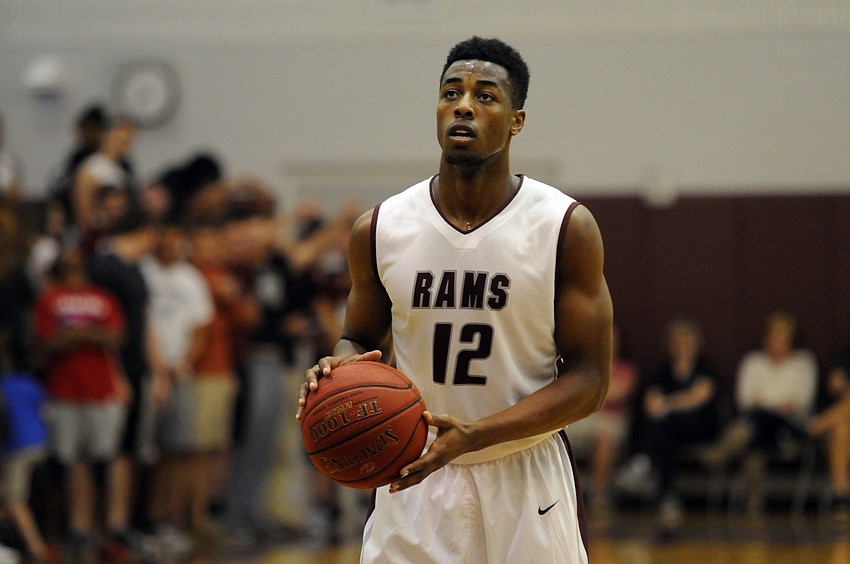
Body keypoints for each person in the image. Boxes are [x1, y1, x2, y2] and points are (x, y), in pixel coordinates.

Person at [297, 36, 612, 563]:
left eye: (485, 95)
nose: (464, 104)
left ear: (517, 120)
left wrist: (477, 433)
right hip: (414, 473)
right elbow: (360, 338)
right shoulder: (380, 228)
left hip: (525, 473)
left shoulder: (563, 227)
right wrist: (338, 369)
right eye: (451, 92)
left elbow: (589, 382)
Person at [33, 248, 128, 561]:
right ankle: (68, 531)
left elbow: (114, 337)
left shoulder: (103, 297)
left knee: (103, 461)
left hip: (100, 392)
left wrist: (74, 334)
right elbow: (49, 341)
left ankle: (104, 532)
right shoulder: (50, 299)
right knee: (64, 462)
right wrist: (89, 334)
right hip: (64, 391)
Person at [85, 209, 163, 560]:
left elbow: (144, 323)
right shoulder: (103, 268)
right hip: (109, 372)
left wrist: (156, 370)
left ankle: (120, 523)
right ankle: (96, 527)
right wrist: (114, 373)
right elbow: (101, 324)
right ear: (145, 231)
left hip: (137, 370)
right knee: (105, 451)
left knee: (131, 449)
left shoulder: (136, 271)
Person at [699, 310, 817, 517]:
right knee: (756, 440)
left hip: (788, 429)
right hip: (758, 428)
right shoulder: (753, 362)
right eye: (774, 338)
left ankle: (721, 453)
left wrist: (766, 405)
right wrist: (773, 404)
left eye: (783, 339)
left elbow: (800, 404)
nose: (778, 344)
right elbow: (745, 400)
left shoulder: (803, 364)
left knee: (759, 419)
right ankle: (754, 507)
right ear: (765, 339)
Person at [141, 222, 213, 556]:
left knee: (178, 448)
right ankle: (147, 522)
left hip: (178, 371)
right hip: (147, 371)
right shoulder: (144, 272)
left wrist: (183, 362)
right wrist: (157, 366)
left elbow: (201, 328)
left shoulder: (190, 278)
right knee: (145, 452)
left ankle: (169, 520)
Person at [614, 319, 719, 531]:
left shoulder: (704, 369)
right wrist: (662, 405)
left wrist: (669, 404)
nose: (683, 348)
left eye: (687, 343)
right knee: (666, 439)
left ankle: (642, 462)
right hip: (671, 433)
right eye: (678, 343)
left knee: (666, 422)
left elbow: (699, 397)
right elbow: (650, 403)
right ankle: (668, 501)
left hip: (700, 428)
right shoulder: (663, 371)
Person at [567, 325, 637, 517]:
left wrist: (591, 393)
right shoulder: (585, 367)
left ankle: (599, 498)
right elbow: (574, 395)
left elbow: (617, 393)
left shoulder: (625, 370)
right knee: (556, 435)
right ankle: (560, 496)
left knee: (604, 437)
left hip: (611, 421)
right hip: (583, 418)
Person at [808, 352, 850, 526]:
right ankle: (842, 499)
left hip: (825, 425)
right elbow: (833, 384)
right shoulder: (842, 358)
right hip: (837, 436)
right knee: (842, 431)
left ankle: (820, 424)